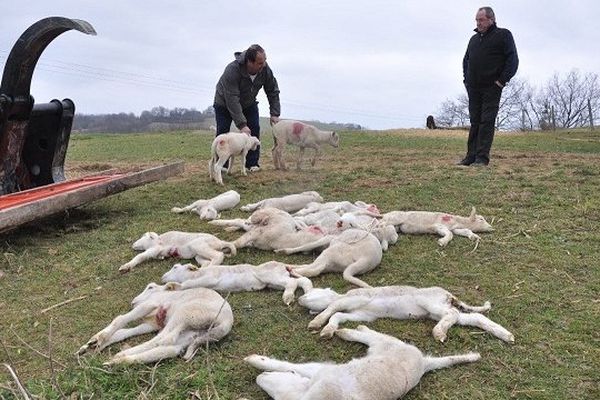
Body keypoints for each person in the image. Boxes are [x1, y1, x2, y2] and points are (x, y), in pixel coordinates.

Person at [459, 6, 518, 166]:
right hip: (474, 88)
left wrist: (501, 81)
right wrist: (467, 81)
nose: (478, 23)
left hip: (492, 87)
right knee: (475, 121)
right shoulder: (473, 39)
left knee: (487, 121)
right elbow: (466, 61)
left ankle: (482, 158)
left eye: (481, 20)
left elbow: (512, 60)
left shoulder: (503, 35)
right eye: (477, 20)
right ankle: (470, 156)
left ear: (491, 19)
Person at [213, 44, 281, 172]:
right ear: (250, 62)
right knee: (223, 132)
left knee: (254, 129)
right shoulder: (232, 70)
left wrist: (275, 113)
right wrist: (242, 124)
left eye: (265, 60)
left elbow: (272, 91)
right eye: (260, 62)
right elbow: (232, 99)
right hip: (224, 102)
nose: (264, 64)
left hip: (248, 103)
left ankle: (252, 164)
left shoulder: (265, 70)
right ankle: (222, 165)